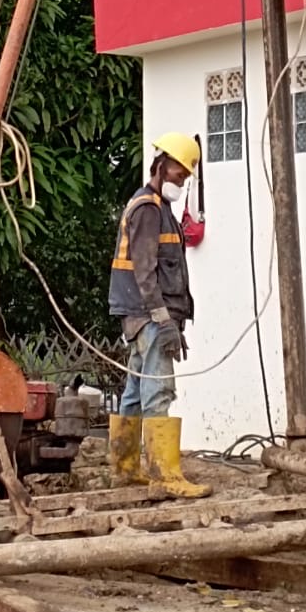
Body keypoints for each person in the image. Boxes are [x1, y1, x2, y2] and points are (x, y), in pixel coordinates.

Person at [107, 132, 210, 500]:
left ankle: (125, 469)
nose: (181, 181)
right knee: (158, 390)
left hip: (140, 315)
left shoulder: (159, 208)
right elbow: (145, 272)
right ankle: (164, 474)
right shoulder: (148, 209)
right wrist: (164, 320)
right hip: (148, 315)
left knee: (135, 391)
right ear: (162, 165)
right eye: (179, 173)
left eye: (185, 177)